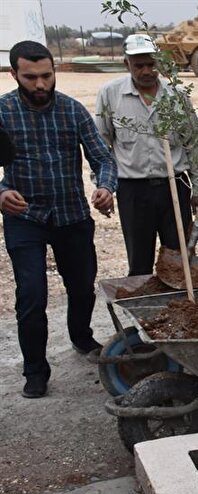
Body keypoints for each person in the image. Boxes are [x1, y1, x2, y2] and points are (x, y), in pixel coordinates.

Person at [0, 41, 117, 398]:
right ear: (13, 74)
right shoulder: (2, 112)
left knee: (82, 286)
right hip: (25, 219)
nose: (40, 85)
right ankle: (35, 370)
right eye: (30, 77)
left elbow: (103, 158)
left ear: (54, 72)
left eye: (46, 76)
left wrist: (105, 186)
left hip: (72, 216)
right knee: (31, 294)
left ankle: (81, 336)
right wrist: (0, 193)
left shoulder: (72, 111)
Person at [95, 34, 198, 276]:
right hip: (133, 191)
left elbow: (194, 143)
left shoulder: (177, 95)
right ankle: (144, 310)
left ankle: (180, 309)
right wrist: (104, 186)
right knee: (140, 262)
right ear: (127, 65)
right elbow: (101, 146)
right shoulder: (110, 94)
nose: (146, 71)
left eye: (151, 64)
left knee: (180, 260)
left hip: (174, 187)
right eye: (139, 65)